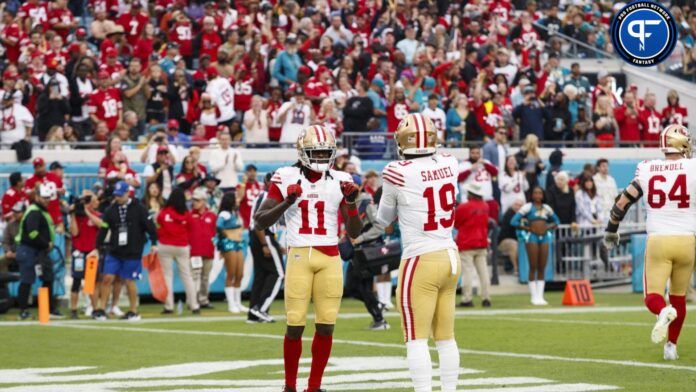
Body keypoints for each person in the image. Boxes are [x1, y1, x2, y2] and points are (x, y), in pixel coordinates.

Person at [254, 125, 361, 392]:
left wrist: (350, 204)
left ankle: (313, 387)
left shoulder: (340, 179)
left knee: (326, 326)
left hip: (330, 256)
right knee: (295, 326)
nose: (323, 158)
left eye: (327, 153)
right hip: (300, 254)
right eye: (317, 152)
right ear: (302, 152)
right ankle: (290, 386)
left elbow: (355, 231)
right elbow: (259, 221)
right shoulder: (285, 175)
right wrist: (288, 201)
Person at [375, 114, 461, 392]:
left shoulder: (396, 171)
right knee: (446, 337)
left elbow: (384, 217)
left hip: (421, 258)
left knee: (416, 338)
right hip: (450, 254)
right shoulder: (450, 161)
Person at [603, 124, 695, 361]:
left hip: (659, 240)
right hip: (687, 241)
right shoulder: (693, 167)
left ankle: (662, 312)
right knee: (678, 295)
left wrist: (612, 229)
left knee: (653, 296)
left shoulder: (647, 168)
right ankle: (671, 347)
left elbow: (622, 204)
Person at [95, 181, 158, 321]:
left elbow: (150, 226)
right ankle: (101, 309)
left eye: (120, 195)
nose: (118, 198)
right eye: (116, 195)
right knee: (107, 278)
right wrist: (96, 247)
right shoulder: (110, 210)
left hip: (133, 250)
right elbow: (104, 229)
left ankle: (133, 310)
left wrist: (154, 243)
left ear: (128, 193)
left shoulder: (139, 208)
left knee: (129, 280)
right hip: (114, 250)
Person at [346, 175, 390, 330]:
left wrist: (361, 237)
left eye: (352, 185)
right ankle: (377, 304)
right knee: (351, 287)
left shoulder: (366, 202)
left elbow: (379, 227)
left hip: (367, 250)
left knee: (364, 286)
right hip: (357, 251)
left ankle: (380, 320)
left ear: (359, 186)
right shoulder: (349, 202)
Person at [15, 184, 60, 320]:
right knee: (27, 280)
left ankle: (48, 308)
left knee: (48, 278)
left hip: (39, 251)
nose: (46, 200)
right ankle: (23, 310)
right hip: (29, 250)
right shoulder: (34, 211)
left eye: (48, 197)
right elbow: (33, 233)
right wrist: (47, 244)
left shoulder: (40, 210)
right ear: (37, 197)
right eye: (44, 197)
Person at [511, 186, 560, 306]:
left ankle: (540, 296)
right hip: (531, 237)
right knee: (533, 266)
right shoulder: (527, 207)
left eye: (540, 193)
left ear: (543, 195)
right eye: (535, 193)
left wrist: (548, 227)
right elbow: (513, 221)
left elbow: (557, 221)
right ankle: (534, 296)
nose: (537, 195)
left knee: (542, 267)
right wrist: (527, 228)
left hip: (544, 237)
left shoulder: (547, 208)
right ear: (532, 195)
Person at [247, 172, 284, 323]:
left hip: (264, 236)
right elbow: (258, 222)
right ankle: (261, 308)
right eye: (274, 181)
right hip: (263, 235)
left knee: (261, 275)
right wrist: (265, 244)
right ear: (267, 182)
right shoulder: (265, 196)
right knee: (279, 274)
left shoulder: (268, 196)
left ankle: (253, 314)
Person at [157, 188, 200, 315]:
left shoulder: (164, 212)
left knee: (167, 276)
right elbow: (191, 228)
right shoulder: (186, 214)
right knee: (187, 276)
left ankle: (169, 306)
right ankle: (194, 305)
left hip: (165, 246)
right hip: (182, 246)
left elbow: (158, 226)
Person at [455, 183, 491, 307]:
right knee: (483, 272)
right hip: (482, 242)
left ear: (470, 194)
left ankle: (467, 299)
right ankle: (486, 298)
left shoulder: (464, 207)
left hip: (466, 243)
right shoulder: (485, 206)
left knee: (467, 273)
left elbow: (456, 224)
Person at [68, 190, 102, 319]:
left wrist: (87, 212)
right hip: (79, 252)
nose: (87, 204)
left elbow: (101, 225)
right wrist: (72, 215)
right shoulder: (76, 216)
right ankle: (73, 310)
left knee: (90, 282)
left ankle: (95, 308)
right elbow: (75, 233)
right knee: (76, 281)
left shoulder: (97, 215)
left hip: (91, 252)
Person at [216, 192, 246, 314]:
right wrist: (227, 237)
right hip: (229, 245)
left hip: (237, 244)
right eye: (236, 198)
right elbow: (218, 226)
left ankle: (238, 303)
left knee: (240, 274)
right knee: (231, 273)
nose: (238, 200)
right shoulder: (224, 214)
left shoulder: (234, 213)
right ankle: (231, 304)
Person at [458, 145, 499, 221]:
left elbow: (495, 172)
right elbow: (458, 178)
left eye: (477, 153)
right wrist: (470, 170)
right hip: (470, 201)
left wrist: (485, 164)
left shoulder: (485, 162)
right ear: (469, 154)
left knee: (491, 224)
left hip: (487, 198)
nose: (475, 155)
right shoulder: (464, 164)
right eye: (473, 153)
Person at [499, 199, 524, 275]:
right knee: (513, 244)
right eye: (516, 205)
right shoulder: (509, 214)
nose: (518, 207)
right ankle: (516, 269)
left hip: (519, 240)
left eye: (520, 205)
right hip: (504, 241)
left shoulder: (523, 215)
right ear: (512, 205)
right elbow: (513, 225)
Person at [593, 159, 618, 223]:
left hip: (611, 212)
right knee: (600, 233)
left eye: (607, 166)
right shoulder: (594, 180)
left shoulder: (611, 180)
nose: (605, 168)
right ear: (598, 168)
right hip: (599, 213)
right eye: (603, 166)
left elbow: (615, 197)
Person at [238, 164, 262, 228]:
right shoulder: (241, 186)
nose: (252, 173)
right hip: (245, 220)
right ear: (246, 173)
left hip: (257, 221)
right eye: (250, 171)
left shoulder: (260, 186)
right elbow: (239, 199)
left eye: (254, 171)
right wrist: (243, 183)